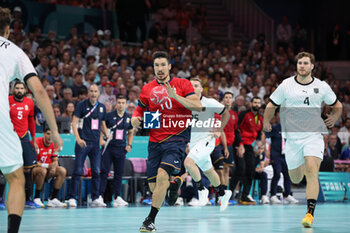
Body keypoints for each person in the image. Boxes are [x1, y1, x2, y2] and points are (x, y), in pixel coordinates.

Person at [0, 7, 63, 233]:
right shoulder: (14, 51)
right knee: (16, 179)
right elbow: (39, 90)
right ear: (7, 30)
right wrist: (54, 130)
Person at [263, 52, 342, 228]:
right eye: (300, 63)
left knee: (312, 169)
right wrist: (266, 121)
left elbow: (337, 105)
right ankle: (299, 174)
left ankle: (309, 213)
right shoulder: (286, 85)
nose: (302, 66)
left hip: (313, 135)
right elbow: (271, 105)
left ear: (312, 66)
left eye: (306, 63)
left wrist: (334, 118)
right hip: (292, 139)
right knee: (296, 177)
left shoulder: (321, 86)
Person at [131, 51, 202, 232]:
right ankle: (174, 184)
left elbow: (198, 106)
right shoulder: (147, 88)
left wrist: (175, 96)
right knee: (155, 187)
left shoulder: (182, 84)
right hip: (154, 141)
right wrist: (134, 119)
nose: (160, 69)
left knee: (162, 174)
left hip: (177, 139)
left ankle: (149, 220)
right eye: (156, 65)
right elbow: (139, 110)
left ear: (169, 66)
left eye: (163, 65)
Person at [184, 78, 232, 211]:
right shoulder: (187, 105)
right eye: (190, 85)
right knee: (209, 171)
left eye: (196, 85)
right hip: (194, 143)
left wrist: (219, 129)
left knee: (188, 163)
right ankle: (223, 193)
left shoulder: (209, 102)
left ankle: (201, 190)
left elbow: (226, 113)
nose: (193, 87)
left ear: (201, 89)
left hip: (207, 140)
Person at [67, 84, 108, 207]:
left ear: (99, 94)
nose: (93, 93)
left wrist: (106, 135)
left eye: (96, 91)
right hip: (83, 143)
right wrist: (78, 139)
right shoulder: (81, 105)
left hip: (95, 145)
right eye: (91, 91)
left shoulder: (101, 107)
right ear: (88, 93)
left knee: (96, 171)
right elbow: (74, 123)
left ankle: (95, 197)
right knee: (78, 170)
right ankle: (72, 197)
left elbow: (102, 124)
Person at [9, 81, 40, 208]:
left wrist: (33, 139)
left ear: (25, 90)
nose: (19, 90)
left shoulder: (29, 102)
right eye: (17, 88)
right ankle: (0, 199)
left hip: (24, 138)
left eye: (22, 88)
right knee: (4, 169)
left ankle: (28, 199)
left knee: (28, 170)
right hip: (10, 138)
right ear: (13, 89)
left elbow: (31, 122)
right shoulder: (6, 100)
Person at [100, 95, 134, 207]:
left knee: (119, 174)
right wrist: (102, 139)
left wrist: (129, 145)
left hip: (121, 149)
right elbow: (102, 124)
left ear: (126, 104)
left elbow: (131, 131)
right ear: (116, 104)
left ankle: (117, 197)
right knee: (104, 172)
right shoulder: (109, 116)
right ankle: (99, 196)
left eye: (123, 103)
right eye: (119, 102)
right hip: (109, 148)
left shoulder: (128, 118)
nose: (120, 105)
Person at [265, 110, 298, 204]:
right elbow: (265, 137)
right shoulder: (275, 128)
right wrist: (266, 151)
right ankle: (273, 195)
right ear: (277, 116)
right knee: (277, 174)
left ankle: (287, 195)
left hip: (286, 156)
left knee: (288, 175)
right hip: (276, 155)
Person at [236, 97, 264, 205]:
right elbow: (237, 128)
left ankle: (245, 195)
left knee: (251, 170)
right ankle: (237, 193)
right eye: (255, 102)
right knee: (242, 170)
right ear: (251, 103)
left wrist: (259, 147)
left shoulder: (260, 117)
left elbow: (259, 134)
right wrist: (240, 144)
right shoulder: (244, 114)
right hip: (242, 145)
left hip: (252, 147)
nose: (256, 104)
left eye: (258, 103)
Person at [32, 126, 67, 207]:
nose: (50, 136)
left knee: (62, 170)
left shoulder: (54, 144)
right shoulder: (36, 142)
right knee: (42, 170)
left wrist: (54, 167)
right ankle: (36, 198)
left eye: (52, 134)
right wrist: (47, 166)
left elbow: (55, 160)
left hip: (47, 169)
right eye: (48, 134)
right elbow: (32, 162)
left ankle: (53, 199)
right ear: (44, 134)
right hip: (34, 170)